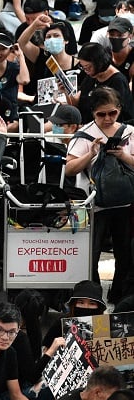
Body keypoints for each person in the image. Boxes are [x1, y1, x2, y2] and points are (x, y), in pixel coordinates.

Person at [66, 87, 134, 303]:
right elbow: (69, 169)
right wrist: (91, 154)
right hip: (91, 205)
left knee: (124, 254)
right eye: (101, 114)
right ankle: (92, 298)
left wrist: (124, 155)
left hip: (125, 203)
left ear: (120, 109)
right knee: (90, 255)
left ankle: (119, 295)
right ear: (93, 112)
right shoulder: (84, 134)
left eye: (112, 113)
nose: (107, 118)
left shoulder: (130, 132)